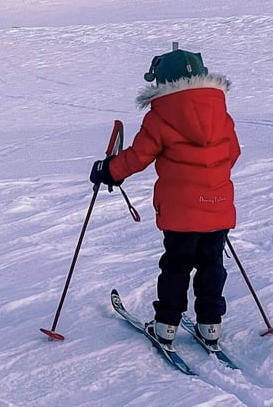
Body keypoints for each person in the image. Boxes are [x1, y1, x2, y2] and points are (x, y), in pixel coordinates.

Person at [90, 46, 241, 349]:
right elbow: (233, 153)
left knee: (176, 266)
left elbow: (138, 156)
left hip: (180, 212)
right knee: (212, 265)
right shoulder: (221, 113)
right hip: (217, 206)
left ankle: (166, 325)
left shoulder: (161, 116)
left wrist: (110, 171)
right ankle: (211, 325)